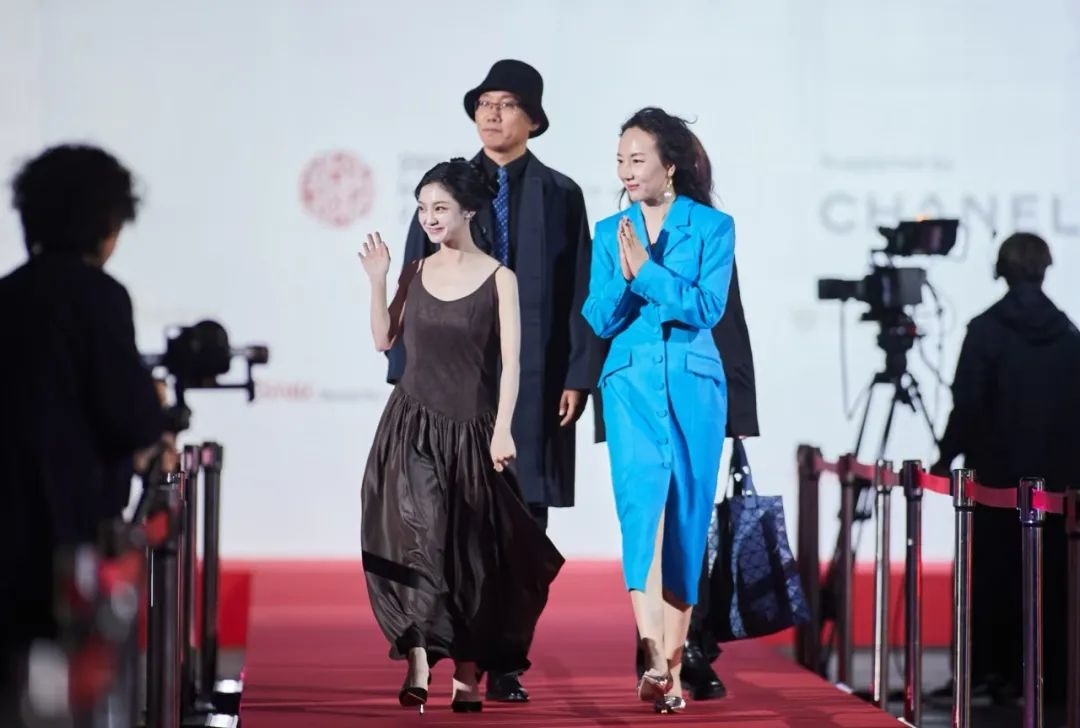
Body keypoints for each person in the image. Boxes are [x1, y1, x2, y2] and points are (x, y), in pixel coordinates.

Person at [385, 58, 599, 703]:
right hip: (452, 381)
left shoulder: (561, 194)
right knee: (439, 523)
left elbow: (580, 291)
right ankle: (446, 650)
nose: (492, 114)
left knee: (519, 525)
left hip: (534, 383)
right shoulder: (447, 186)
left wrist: (578, 375)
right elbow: (413, 280)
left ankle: (504, 658)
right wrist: (406, 371)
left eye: (507, 104)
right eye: (484, 103)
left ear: (533, 119)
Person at [359, 159, 564, 714]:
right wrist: (377, 280)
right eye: (422, 209)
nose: (429, 218)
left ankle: (468, 674)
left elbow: (513, 364)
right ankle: (419, 657)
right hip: (411, 427)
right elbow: (383, 339)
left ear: (469, 211)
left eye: (440, 208)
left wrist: (502, 430)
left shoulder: (500, 278)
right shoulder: (414, 271)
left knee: (471, 554)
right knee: (420, 539)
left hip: (473, 430)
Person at [0, 144, 167, 719]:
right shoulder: (99, 296)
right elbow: (129, 418)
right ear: (107, 222)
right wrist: (154, 408)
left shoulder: (8, 293)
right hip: (64, 524)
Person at [582, 107, 736, 714]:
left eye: (637, 159)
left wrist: (647, 272)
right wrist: (627, 278)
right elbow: (599, 318)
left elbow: (708, 307)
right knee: (641, 510)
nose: (626, 170)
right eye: (620, 160)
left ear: (669, 165)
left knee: (688, 521)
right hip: (629, 388)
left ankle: (671, 671)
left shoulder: (713, 226)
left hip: (695, 388)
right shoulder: (609, 231)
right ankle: (650, 650)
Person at [930, 232, 1080, 707]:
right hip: (1059, 485)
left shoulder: (985, 330)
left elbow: (967, 404)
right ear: (1045, 269)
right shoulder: (1070, 335)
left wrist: (944, 458)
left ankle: (987, 673)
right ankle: (1049, 678)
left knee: (992, 579)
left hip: (996, 479)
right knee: (1054, 582)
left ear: (1001, 269)